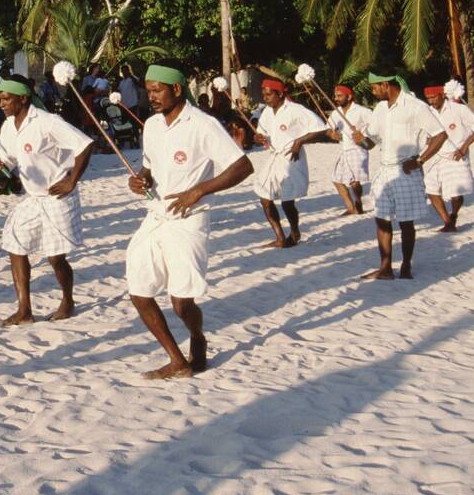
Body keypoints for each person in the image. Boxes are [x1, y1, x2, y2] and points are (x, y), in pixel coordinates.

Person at [126, 65, 253, 379]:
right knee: (139, 291)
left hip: (189, 220)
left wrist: (198, 190)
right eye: (148, 90)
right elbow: (149, 167)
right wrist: (140, 180)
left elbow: (243, 166)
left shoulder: (203, 124)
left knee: (182, 302)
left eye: (157, 90)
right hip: (155, 217)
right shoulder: (152, 125)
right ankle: (177, 360)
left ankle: (197, 337)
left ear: (177, 90)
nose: (151, 96)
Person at [0, 74, 94, 325]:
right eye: (0, 98)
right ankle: (24, 310)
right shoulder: (7, 126)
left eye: (6, 98)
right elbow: (7, 161)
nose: (1, 103)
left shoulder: (47, 121)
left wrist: (71, 180)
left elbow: (84, 145)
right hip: (33, 198)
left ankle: (68, 300)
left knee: (55, 257)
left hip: (58, 197)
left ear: (23, 98)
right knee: (15, 245)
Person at [354, 73, 447, 280]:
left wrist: (420, 161)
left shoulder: (415, 106)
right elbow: (371, 143)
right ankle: (385, 268)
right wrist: (360, 140)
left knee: (406, 223)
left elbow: (440, 135)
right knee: (381, 219)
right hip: (384, 171)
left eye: (375, 87)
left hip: (406, 171)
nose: (373, 91)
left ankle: (406, 265)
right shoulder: (379, 109)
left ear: (386, 85)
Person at [251, 79, 325, 247]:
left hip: (292, 158)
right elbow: (261, 134)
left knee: (287, 201)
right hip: (274, 158)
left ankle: (294, 232)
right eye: (264, 94)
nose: (265, 98)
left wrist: (299, 142)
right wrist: (258, 137)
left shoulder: (296, 110)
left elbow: (320, 129)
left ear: (280, 94)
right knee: (264, 198)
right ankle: (280, 237)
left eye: (269, 94)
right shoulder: (267, 112)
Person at [424, 83, 474, 232]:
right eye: (428, 98)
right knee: (431, 189)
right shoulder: (428, 112)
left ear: (442, 95)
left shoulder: (459, 109)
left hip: (456, 155)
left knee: (456, 193)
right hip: (436, 156)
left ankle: (454, 215)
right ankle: (447, 222)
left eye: (433, 97)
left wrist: (464, 147)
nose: (431, 101)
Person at [325, 84, 371, 216]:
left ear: (349, 96)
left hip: (358, 149)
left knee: (355, 181)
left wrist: (364, 135)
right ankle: (350, 207)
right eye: (335, 96)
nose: (336, 98)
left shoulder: (362, 111)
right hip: (343, 149)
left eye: (339, 96)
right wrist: (332, 134)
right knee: (336, 179)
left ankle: (358, 202)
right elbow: (328, 129)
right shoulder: (336, 112)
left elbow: (375, 126)